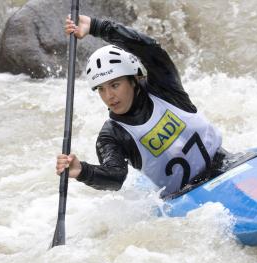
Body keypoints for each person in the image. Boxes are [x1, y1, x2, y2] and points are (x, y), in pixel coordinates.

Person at [56, 15, 223, 198]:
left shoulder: (164, 87)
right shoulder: (112, 135)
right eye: (101, 89)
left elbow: (150, 49)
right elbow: (115, 177)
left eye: (115, 85)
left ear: (134, 79)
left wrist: (97, 26)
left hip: (223, 166)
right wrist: (82, 171)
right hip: (184, 198)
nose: (109, 96)